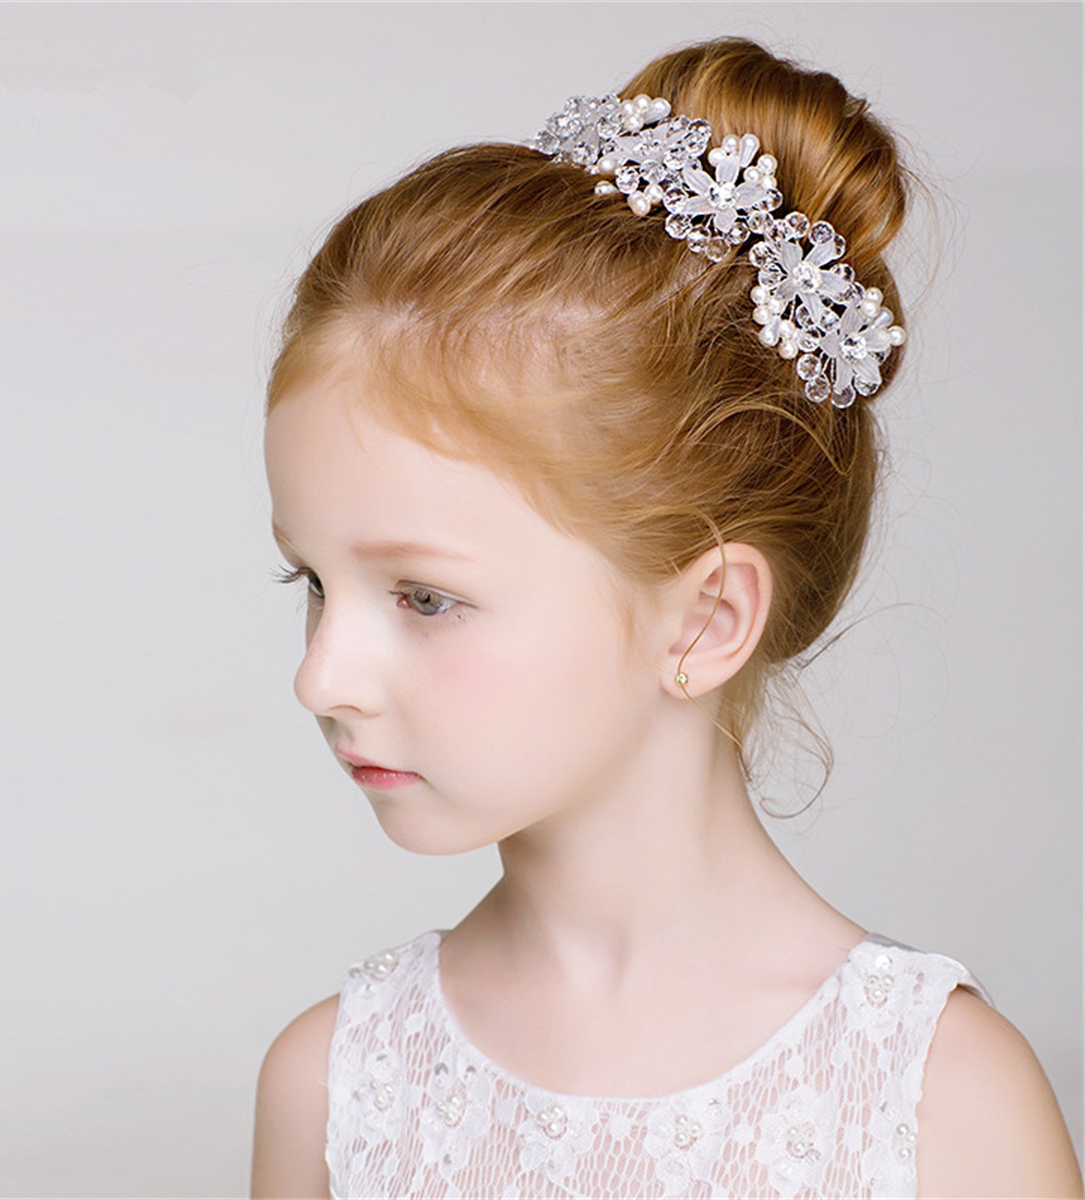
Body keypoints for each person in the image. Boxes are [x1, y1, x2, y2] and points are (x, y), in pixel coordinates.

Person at [249, 37, 1082, 1199]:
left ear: (705, 621)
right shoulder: (338, 1087)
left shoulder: (940, 1102)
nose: (321, 678)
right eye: (311, 582)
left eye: (425, 598)